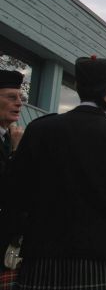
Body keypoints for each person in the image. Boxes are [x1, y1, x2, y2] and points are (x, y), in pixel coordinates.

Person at [7, 55, 106, 290]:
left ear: (78, 87)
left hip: (40, 257)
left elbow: (16, 194)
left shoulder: (40, 129)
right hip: (97, 258)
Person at [0, 69, 25, 286]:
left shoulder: (9, 137)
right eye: (11, 97)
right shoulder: (14, 143)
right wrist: (17, 153)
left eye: (21, 98)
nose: (19, 103)